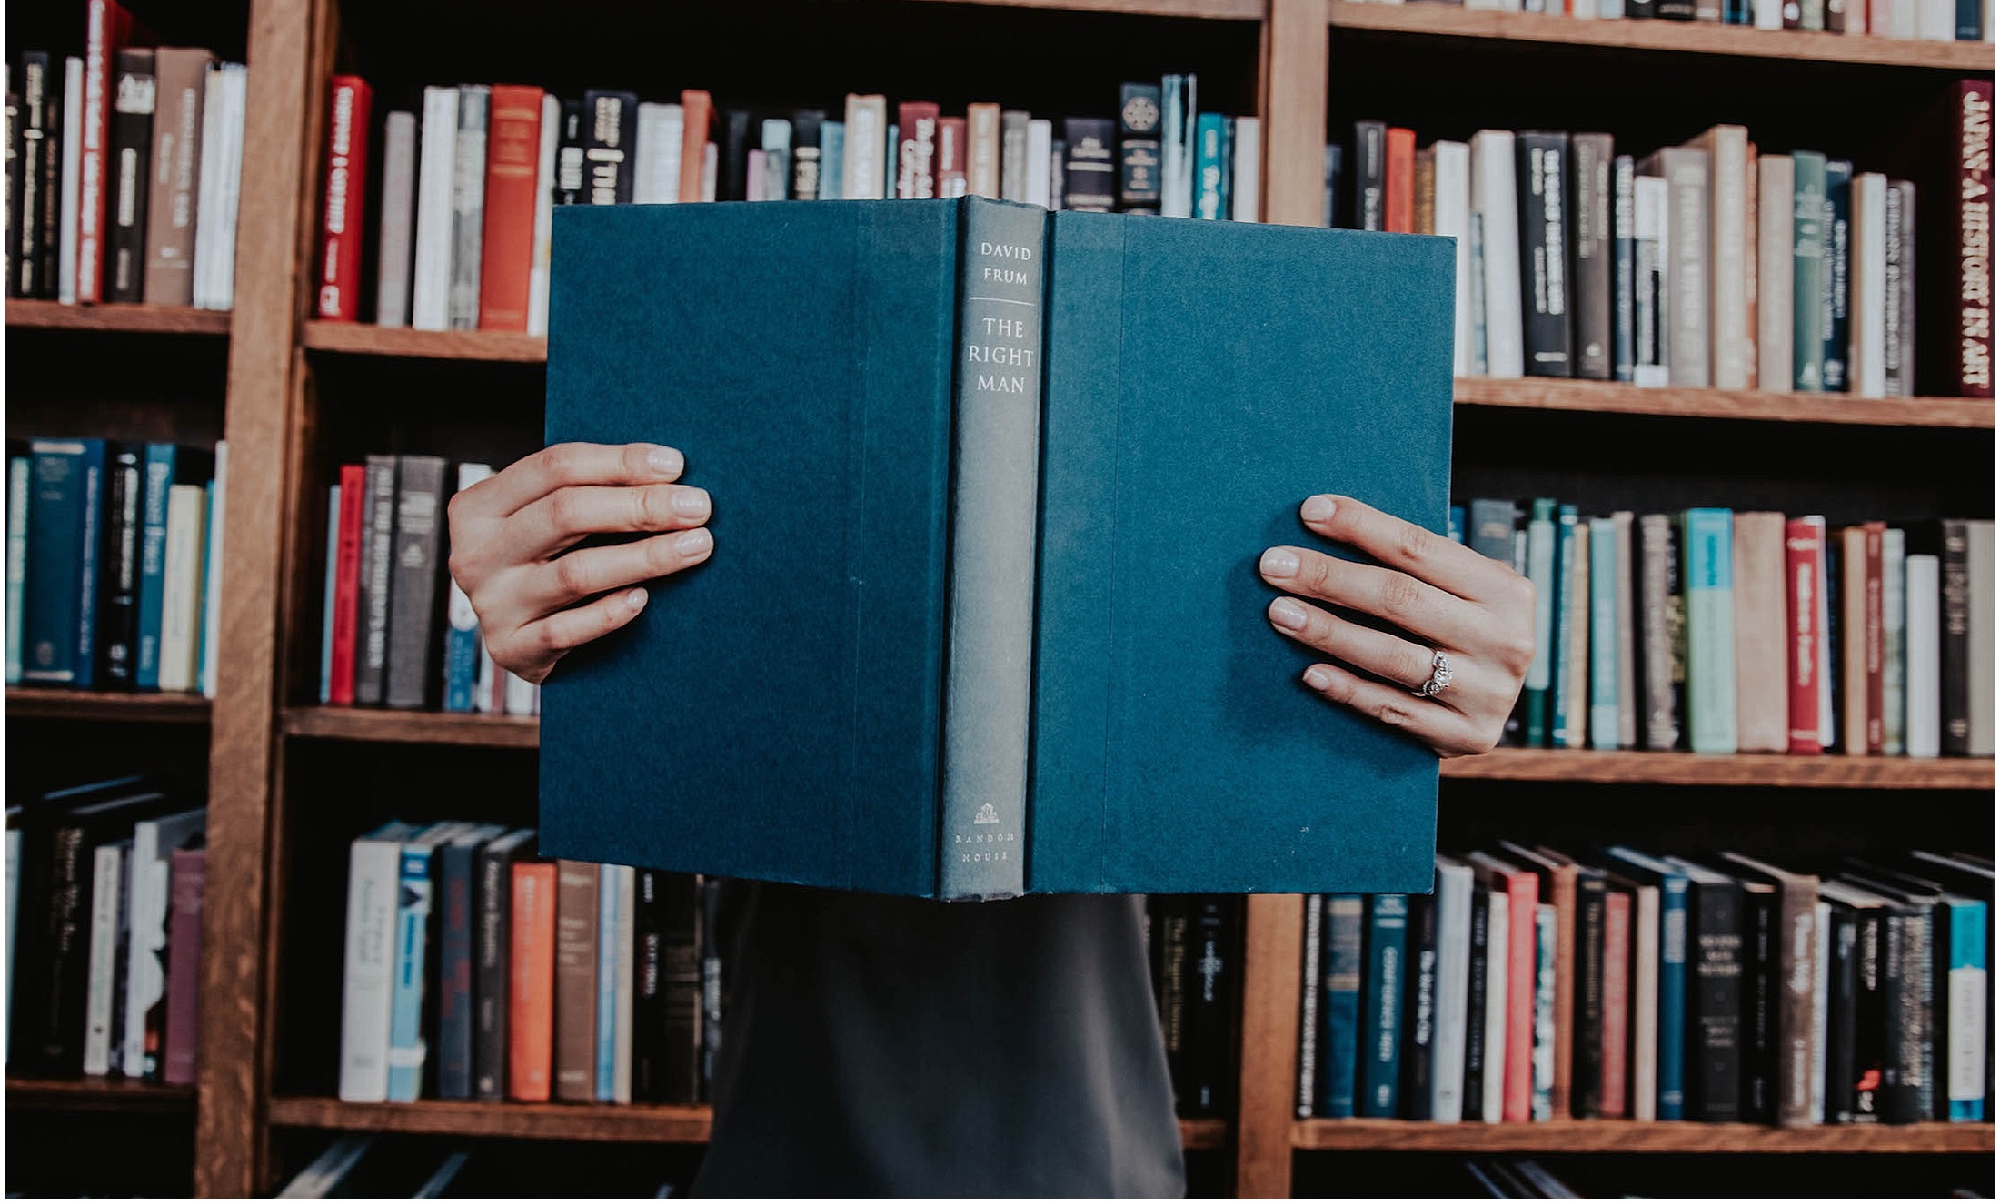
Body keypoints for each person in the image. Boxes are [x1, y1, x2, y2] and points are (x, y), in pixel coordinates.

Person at [448, 442, 1534, 1197]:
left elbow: (1280, 754)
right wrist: (549, 625)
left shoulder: (1179, 565)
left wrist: (1446, 688)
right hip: (789, 1145)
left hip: (1087, 1148)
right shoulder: (728, 524)